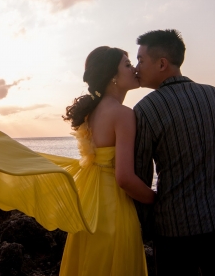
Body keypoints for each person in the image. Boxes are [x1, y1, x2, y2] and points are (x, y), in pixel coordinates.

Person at [133, 29, 215, 276]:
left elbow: (141, 175)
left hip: (173, 232)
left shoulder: (145, 109)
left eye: (141, 60)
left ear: (162, 64)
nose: (136, 67)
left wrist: (146, 229)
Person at [60, 46, 155, 276]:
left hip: (89, 205)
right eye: (127, 64)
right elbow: (124, 177)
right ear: (113, 75)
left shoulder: (91, 113)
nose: (133, 69)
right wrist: (156, 200)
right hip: (114, 208)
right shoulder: (122, 114)